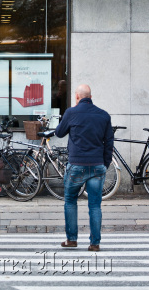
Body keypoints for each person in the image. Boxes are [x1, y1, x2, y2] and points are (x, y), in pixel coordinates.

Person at [54, 84, 113, 252]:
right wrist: (105, 164)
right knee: (95, 205)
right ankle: (95, 243)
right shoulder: (103, 115)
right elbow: (109, 143)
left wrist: (70, 113)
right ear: (91, 97)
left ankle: (71, 239)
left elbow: (59, 132)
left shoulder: (71, 113)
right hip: (97, 166)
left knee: (70, 200)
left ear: (77, 97)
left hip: (76, 165)